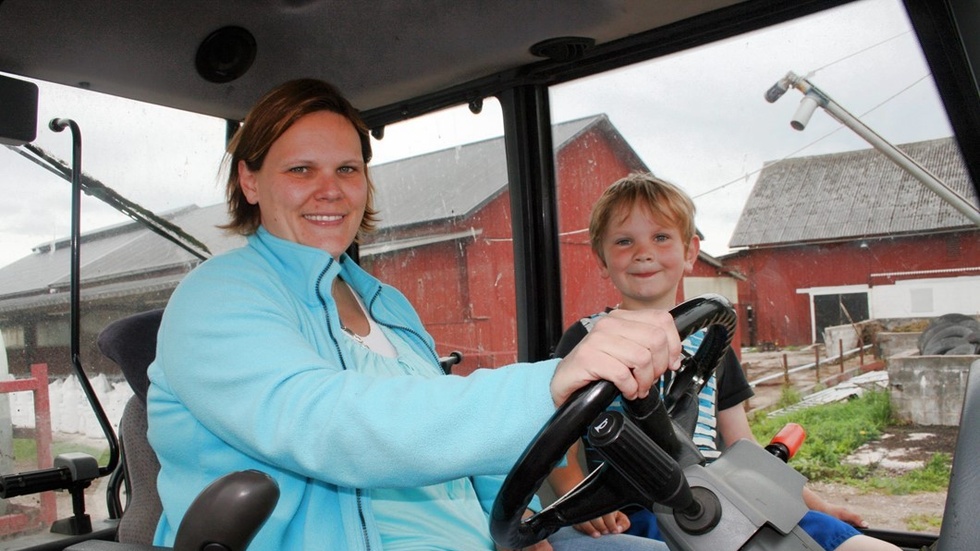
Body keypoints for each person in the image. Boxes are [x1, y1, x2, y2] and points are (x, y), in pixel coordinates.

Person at [145, 79, 679, 551]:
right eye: (301, 169)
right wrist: (545, 387)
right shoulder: (217, 297)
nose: (330, 189)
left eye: (347, 169)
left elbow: (448, 434)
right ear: (251, 181)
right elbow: (331, 424)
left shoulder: (384, 302)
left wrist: (522, 527)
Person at [546, 173, 901, 551]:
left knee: (848, 542)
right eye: (623, 241)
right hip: (633, 507)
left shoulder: (713, 343)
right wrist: (576, 500)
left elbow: (743, 448)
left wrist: (819, 507)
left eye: (661, 237)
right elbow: (556, 438)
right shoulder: (586, 342)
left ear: (690, 252)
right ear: (601, 259)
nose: (643, 252)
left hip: (724, 496)